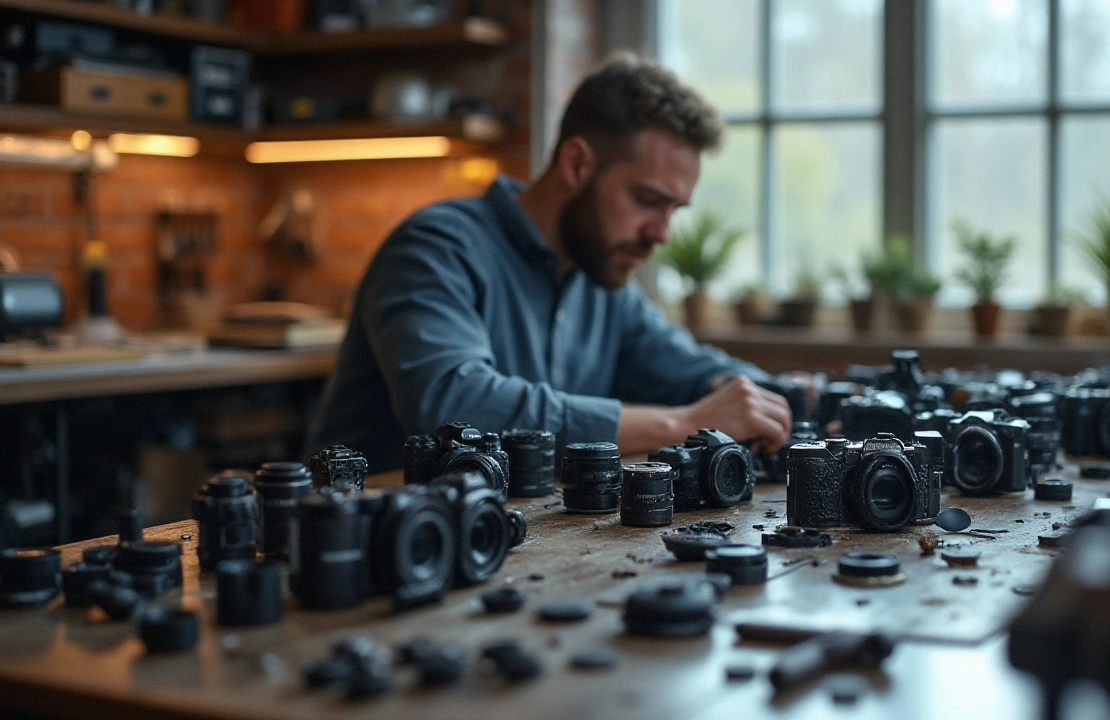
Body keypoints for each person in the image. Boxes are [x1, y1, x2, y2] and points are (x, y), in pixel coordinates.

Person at [306, 56, 792, 473]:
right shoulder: (435, 247)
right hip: (360, 547)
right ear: (577, 164)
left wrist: (785, 397)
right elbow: (455, 408)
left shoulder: (603, 276)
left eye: (673, 211)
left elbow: (689, 370)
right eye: (647, 200)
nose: (661, 233)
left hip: (509, 544)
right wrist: (679, 425)